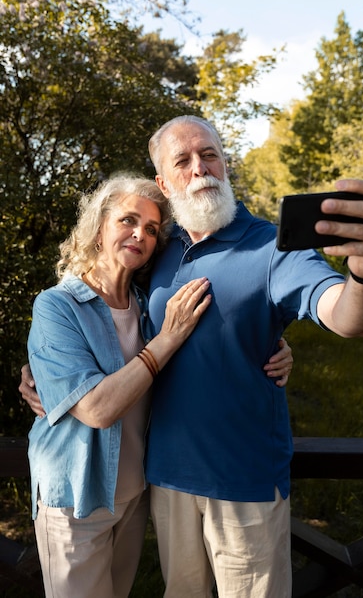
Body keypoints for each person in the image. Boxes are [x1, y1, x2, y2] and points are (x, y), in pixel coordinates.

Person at [140, 115, 363, 598]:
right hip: (167, 477)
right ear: (164, 182)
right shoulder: (155, 248)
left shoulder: (273, 246)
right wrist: (48, 367)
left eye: (210, 154)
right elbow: (108, 311)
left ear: (226, 162)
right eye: (183, 160)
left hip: (245, 482)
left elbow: (345, 316)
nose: (201, 169)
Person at [26, 173, 213, 598]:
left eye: (150, 228)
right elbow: (96, 409)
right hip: (75, 496)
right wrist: (165, 341)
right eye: (128, 220)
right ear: (98, 227)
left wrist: (277, 348)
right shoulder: (57, 305)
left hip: (133, 493)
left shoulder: (149, 307)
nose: (139, 234)